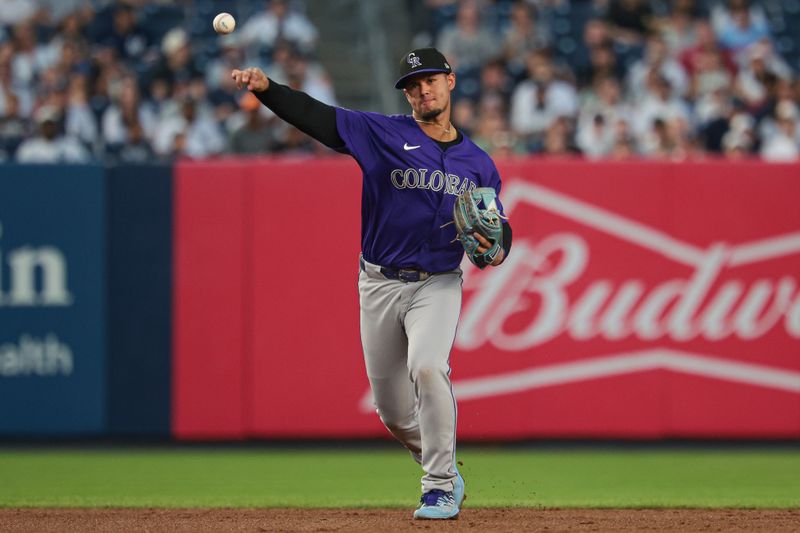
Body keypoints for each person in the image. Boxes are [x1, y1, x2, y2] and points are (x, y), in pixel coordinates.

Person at [231, 46, 512, 519]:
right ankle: (441, 463)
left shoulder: (480, 165)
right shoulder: (382, 133)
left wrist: (495, 246)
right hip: (379, 283)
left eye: (429, 80)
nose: (422, 89)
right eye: (411, 85)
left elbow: (490, 238)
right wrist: (268, 90)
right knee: (394, 414)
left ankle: (439, 486)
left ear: (450, 80)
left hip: (438, 283)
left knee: (427, 366)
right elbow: (318, 118)